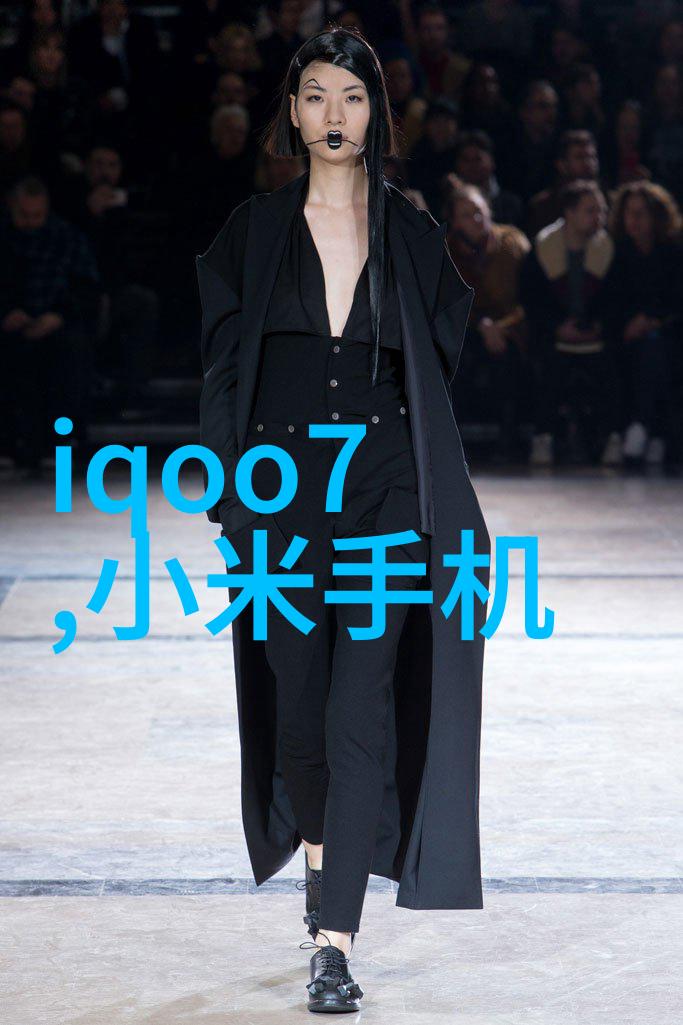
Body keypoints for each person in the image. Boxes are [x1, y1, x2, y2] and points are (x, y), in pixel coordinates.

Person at [196, 26, 490, 1014]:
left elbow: (438, 359)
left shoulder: (410, 230)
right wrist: (231, 494)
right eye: (316, 95)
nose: (334, 114)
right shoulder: (251, 232)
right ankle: (323, 868)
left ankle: (335, 940)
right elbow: (222, 370)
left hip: (382, 492)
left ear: (376, 114)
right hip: (277, 494)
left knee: (359, 708)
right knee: (300, 712)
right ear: (291, 111)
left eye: (352, 97)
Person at [520, 179, 621, 467]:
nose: (599, 217)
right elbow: (532, 300)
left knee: (611, 373)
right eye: (591, 210)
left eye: (601, 210)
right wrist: (556, 327)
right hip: (554, 335)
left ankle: (612, 437)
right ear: (570, 212)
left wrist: (599, 326)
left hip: (596, 336)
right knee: (550, 372)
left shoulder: (607, 248)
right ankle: (543, 436)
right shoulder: (544, 247)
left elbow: (617, 299)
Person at [605, 181, 683, 465]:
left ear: (656, 216)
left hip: (668, 331)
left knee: (655, 350)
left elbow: (675, 299)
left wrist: (651, 320)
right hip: (625, 333)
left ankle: (643, 425)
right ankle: (653, 432)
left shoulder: (674, 254)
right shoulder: (618, 254)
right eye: (629, 212)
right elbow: (611, 301)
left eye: (641, 213)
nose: (633, 220)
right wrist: (629, 324)